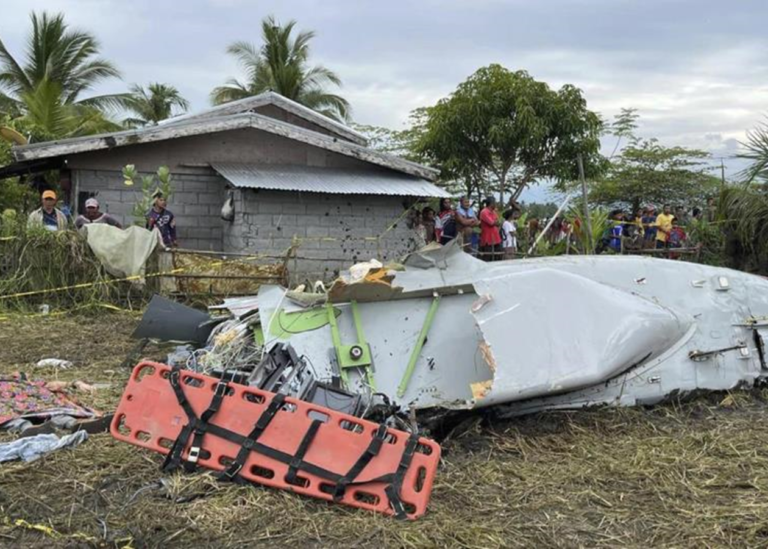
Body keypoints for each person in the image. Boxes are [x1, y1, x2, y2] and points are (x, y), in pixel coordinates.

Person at [479, 196, 501, 261]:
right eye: (495, 202)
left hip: (496, 238)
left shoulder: (494, 212)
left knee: (498, 256)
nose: (496, 204)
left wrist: (496, 222)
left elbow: (498, 222)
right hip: (488, 239)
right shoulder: (484, 212)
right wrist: (495, 222)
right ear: (491, 203)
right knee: (488, 257)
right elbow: (491, 223)